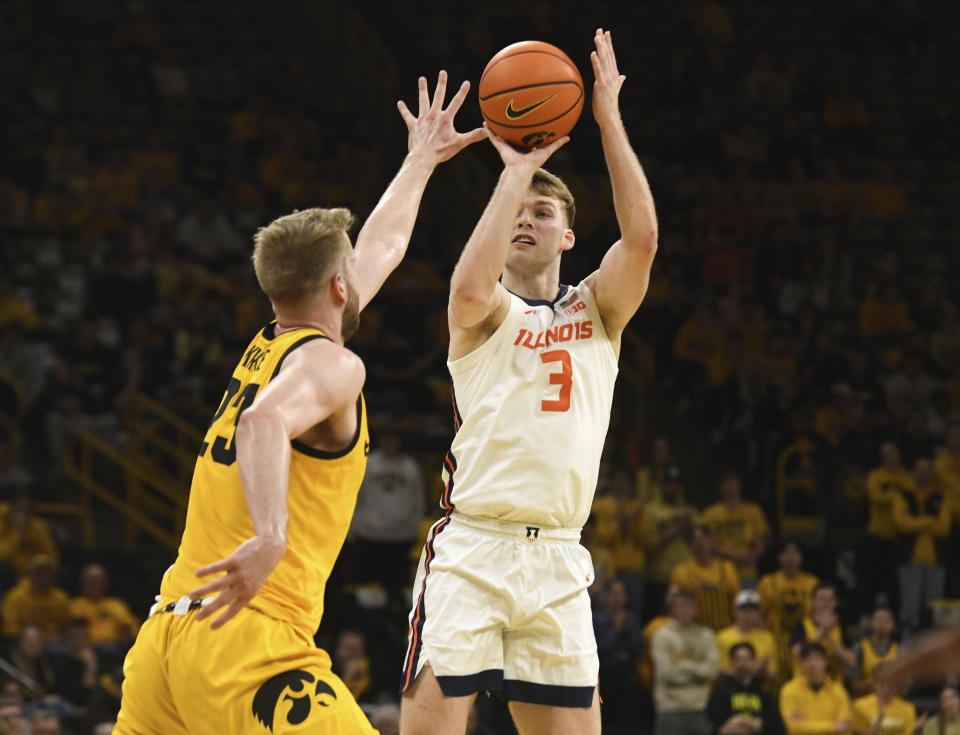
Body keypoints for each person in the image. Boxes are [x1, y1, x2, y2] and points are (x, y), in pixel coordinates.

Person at [113, 70, 485, 734]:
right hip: (247, 639)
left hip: (163, 643)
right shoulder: (332, 364)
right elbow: (262, 422)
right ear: (339, 287)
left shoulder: (271, 344)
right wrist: (269, 536)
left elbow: (383, 245)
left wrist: (420, 160)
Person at [399, 28, 659, 735]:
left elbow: (642, 242)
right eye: (517, 213)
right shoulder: (482, 314)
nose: (527, 220)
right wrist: (514, 170)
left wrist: (607, 118)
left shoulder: (598, 309)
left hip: (558, 557)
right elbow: (466, 285)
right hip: (473, 549)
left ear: (568, 236)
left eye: (543, 213)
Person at [650, 587, 718, 735]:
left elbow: (711, 672)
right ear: (673, 610)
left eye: (689, 606)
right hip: (670, 709)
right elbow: (666, 674)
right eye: (681, 606)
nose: (685, 611)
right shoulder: (662, 636)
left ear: (696, 610)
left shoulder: (707, 636)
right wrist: (698, 669)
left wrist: (681, 666)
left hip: (701, 708)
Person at [756, 540, 819, 687]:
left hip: (805, 642)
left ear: (801, 557)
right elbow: (759, 613)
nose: (791, 558)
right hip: (775, 642)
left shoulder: (812, 583)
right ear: (779, 558)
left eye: (795, 553)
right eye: (786, 553)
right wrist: (766, 638)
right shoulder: (768, 582)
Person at [702, 472, 770, 585]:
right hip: (721, 574)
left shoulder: (753, 511)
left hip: (748, 575)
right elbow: (712, 548)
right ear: (720, 487)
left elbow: (759, 547)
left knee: (748, 602)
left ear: (740, 485)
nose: (730, 486)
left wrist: (749, 557)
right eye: (726, 482)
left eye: (733, 482)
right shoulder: (711, 514)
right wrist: (742, 557)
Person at [671, 525, 741, 631]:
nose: (700, 543)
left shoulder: (726, 568)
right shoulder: (682, 570)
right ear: (691, 545)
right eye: (695, 540)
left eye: (703, 539)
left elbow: (736, 601)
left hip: (725, 630)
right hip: (694, 632)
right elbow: (676, 603)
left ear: (712, 541)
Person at [707, 642, 785, 735]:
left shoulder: (765, 695)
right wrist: (755, 724)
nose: (742, 664)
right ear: (731, 663)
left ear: (753, 662)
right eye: (738, 659)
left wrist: (743, 722)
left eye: (746, 659)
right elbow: (717, 727)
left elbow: (778, 727)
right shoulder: (720, 693)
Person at [779, 643, 852, 735]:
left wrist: (805, 724)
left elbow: (845, 728)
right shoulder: (789, 690)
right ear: (801, 663)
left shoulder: (839, 691)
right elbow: (792, 727)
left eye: (816, 659)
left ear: (825, 663)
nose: (812, 665)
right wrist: (834, 727)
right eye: (807, 660)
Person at [789, 581, 856, 681]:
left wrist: (829, 637)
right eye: (820, 599)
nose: (825, 603)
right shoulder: (801, 626)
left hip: (833, 689)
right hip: (803, 686)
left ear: (835, 602)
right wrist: (822, 632)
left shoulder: (841, 628)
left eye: (829, 599)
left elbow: (851, 662)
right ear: (813, 602)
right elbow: (798, 654)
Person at [716, 589, 779, 690]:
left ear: (759, 612)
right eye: (744, 609)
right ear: (735, 611)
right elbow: (719, 674)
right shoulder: (722, 637)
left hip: (759, 692)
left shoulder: (768, 638)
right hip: (730, 692)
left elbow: (773, 678)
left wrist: (762, 671)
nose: (748, 613)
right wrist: (754, 668)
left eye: (753, 609)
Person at [68, 564, 140, 646]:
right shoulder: (76, 605)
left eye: (99, 581)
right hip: (91, 648)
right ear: (82, 583)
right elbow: (77, 634)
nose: (96, 585)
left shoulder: (116, 604)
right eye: (91, 581)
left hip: (118, 647)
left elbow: (132, 628)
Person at [850, 662, 917, 735]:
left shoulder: (908, 709)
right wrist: (880, 718)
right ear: (875, 683)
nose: (886, 689)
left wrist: (916, 731)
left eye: (890, 683)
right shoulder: (860, 706)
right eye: (882, 683)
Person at [850, 606, 900, 697]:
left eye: (886, 620)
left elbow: (905, 687)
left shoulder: (900, 651)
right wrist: (870, 686)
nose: (882, 624)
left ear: (893, 624)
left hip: (892, 702)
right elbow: (853, 686)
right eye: (879, 620)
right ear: (871, 623)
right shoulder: (860, 648)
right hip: (866, 702)